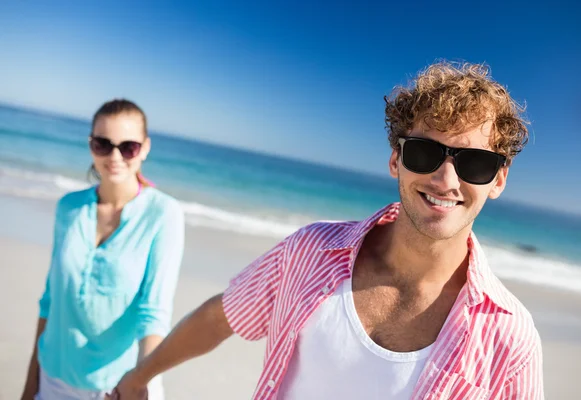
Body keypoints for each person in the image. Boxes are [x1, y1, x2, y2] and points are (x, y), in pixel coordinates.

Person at [111, 62, 544, 400]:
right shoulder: (310, 252)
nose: (445, 179)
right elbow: (221, 317)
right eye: (426, 152)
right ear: (396, 160)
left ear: (498, 179)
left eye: (473, 163)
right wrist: (139, 376)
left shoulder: (511, 339)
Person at [20, 99, 185, 400]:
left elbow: (154, 313)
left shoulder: (164, 214)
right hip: (54, 380)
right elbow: (50, 301)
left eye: (128, 147)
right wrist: (30, 386)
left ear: (145, 148)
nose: (115, 156)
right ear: (90, 144)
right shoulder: (68, 208)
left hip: (118, 387)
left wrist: (140, 383)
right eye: (103, 144)